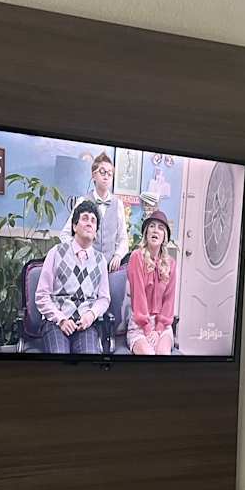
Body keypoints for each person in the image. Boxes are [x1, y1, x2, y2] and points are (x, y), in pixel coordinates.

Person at [33, 200, 110, 354]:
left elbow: (104, 298)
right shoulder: (56, 252)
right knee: (59, 356)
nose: (89, 223)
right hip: (56, 323)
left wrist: (91, 315)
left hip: (85, 325)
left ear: (96, 232)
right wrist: (61, 319)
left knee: (90, 358)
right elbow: (41, 295)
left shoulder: (100, 260)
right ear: (74, 226)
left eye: (93, 221)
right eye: (85, 218)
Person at [126, 209, 177, 355]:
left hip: (162, 325)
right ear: (146, 232)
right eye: (152, 226)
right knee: (148, 355)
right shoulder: (136, 257)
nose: (155, 230)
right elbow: (138, 297)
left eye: (160, 228)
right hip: (140, 324)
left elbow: (169, 301)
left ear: (164, 236)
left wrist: (158, 329)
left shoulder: (171, 264)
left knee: (163, 354)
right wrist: (148, 329)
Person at [87, 152, 129, 272]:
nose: (106, 176)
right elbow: (66, 234)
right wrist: (78, 254)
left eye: (110, 174)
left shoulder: (118, 204)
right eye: (102, 172)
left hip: (109, 269)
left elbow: (123, 238)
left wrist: (118, 255)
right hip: (86, 267)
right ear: (93, 175)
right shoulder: (83, 201)